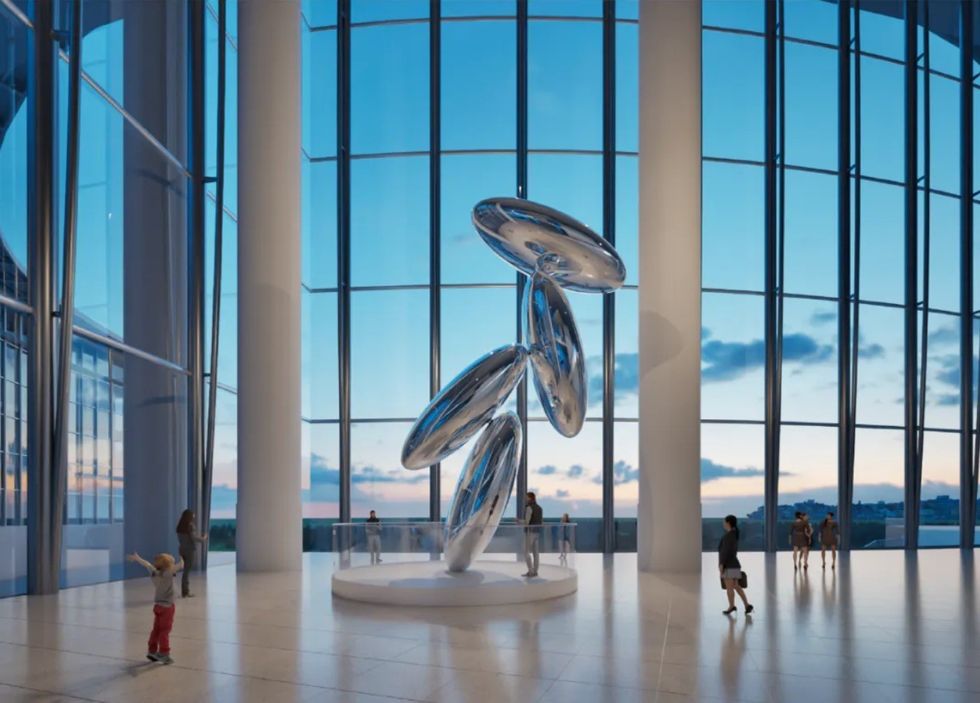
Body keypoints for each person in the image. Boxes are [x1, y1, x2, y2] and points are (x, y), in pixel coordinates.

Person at [127, 551, 184, 664]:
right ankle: (164, 653)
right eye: (171, 563)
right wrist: (183, 558)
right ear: (168, 566)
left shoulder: (154, 572)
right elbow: (180, 566)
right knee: (165, 631)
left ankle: (152, 651)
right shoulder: (167, 574)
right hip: (167, 607)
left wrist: (138, 558)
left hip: (158, 606)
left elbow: (147, 564)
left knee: (156, 630)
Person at [718, 515, 753, 616]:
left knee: (730, 587)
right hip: (735, 564)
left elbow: (725, 552)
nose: (723, 523)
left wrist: (721, 564)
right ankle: (747, 605)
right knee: (736, 586)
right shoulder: (734, 534)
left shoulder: (728, 536)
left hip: (728, 564)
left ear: (728, 523)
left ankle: (731, 606)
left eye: (724, 521)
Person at [175, 509, 208, 598]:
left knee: (185, 571)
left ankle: (184, 591)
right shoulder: (190, 525)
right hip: (189, 550)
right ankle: (185, 592)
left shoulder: (179, 526)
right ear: (189, 516)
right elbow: (193, 538)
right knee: (186, 571)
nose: (194, 516)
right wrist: (203, 538)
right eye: (193, 515)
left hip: (181, 549)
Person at [523, 492, 543, 577]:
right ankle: (535, 571)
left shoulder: (529, 508)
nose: (525, 499)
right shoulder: (539, 508)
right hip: (537, 532)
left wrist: (519, 521)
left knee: (526, 552)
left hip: (530, 532)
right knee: (536, 553)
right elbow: (541, 521)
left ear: (530, 498)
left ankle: (530, 571)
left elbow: (527, 522)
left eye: (526, 497)